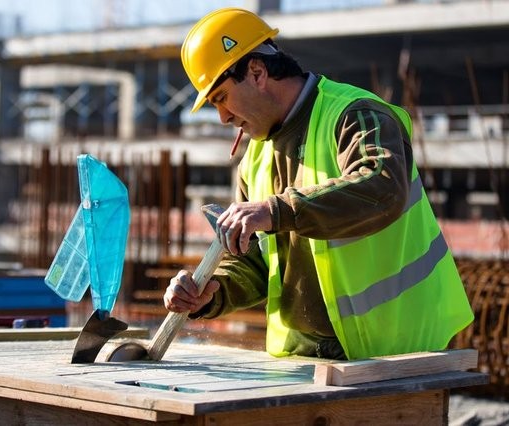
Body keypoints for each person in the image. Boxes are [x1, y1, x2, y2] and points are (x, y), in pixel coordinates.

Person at [163, 7, 474, 360]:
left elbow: (381, 186)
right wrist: (213, 292)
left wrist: (274, 210)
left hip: (395, 351)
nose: (222, 117)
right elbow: (254, 261)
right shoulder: (254, 159)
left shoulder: (355, 113)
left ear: (256, 72)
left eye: (221, 97)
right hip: (303, 356)